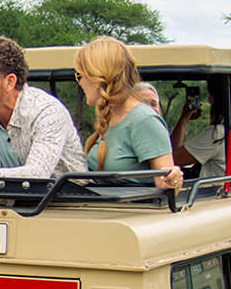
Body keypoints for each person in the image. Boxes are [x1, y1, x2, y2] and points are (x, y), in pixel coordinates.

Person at [0, 35, 87, 177]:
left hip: (68, 197)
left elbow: (37, 175)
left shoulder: (47, 111)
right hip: (4, 197)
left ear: (10, 82)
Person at [74, 37, 184, 189]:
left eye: (80, 75)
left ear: (98, 78)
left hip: (134, 209)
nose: (79, 82)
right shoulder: (110, 116)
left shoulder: (143, 120)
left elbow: (166, 185)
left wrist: (173, 179)